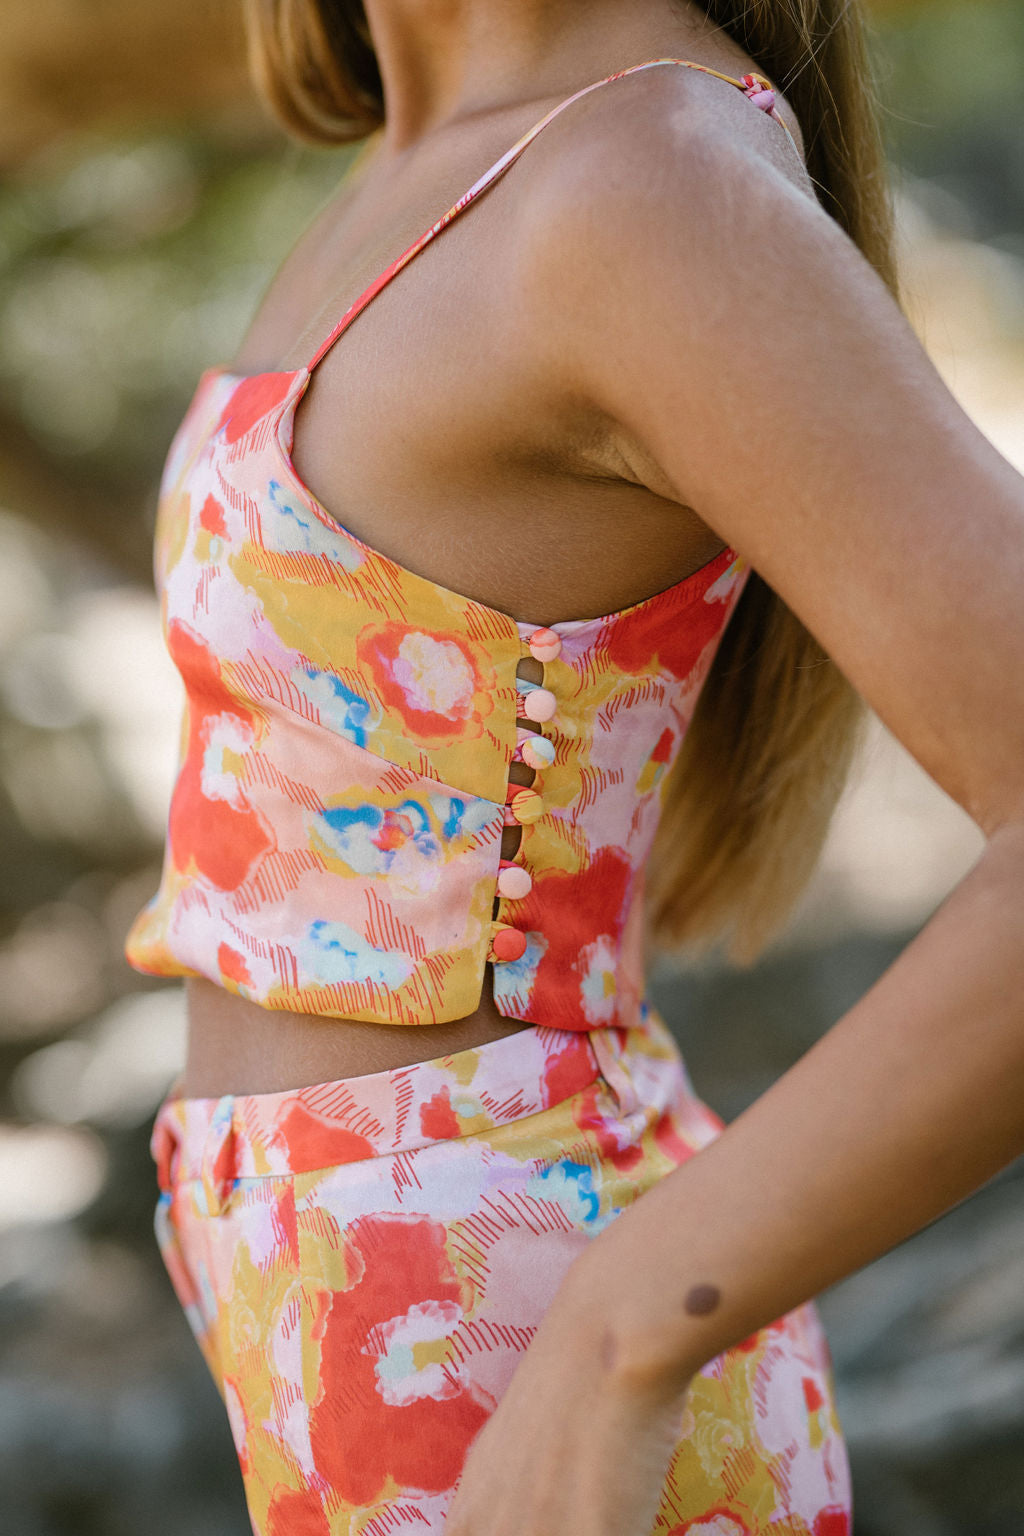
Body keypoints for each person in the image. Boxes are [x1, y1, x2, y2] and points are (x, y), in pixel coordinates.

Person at [123, 0, 1024, 1531]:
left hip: (518, 1342)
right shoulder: (417, 156)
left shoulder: (641, 183)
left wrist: (620, 1337)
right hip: (326, 1319)